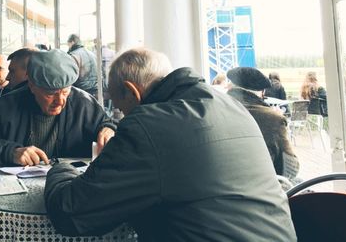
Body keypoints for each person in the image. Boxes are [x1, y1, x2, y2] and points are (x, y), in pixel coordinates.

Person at [44, 48, 296, 241]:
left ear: (133, 93)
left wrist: (61, 168)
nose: (121, 116)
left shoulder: (148, 125)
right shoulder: (231, 106)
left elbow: (72, 213)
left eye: (121, 109)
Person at [0, 49, 116, 168]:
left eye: (65, 91)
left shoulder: (83, 103)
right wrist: (10, 152)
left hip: (70, 191)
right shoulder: (5, 107)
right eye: (51, 93)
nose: (60, 101)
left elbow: (107, 123)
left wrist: (108, 129)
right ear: (32, 85)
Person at [227, 67, 299, 179]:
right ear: (262, 92)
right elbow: (290, 170)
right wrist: (280, 123)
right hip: (259, 187)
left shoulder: (213, 109)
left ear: (230, 86)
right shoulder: (273, 119)